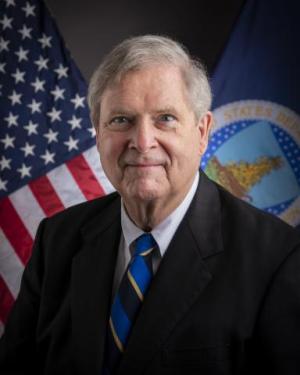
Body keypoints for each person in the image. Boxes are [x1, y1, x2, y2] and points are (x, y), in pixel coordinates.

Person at [0, 35, 300, 375]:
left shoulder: (277, 258)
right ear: (98, 134)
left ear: (202, 132)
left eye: (165, 118)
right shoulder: (57, 240)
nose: (142, 142)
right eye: (121, 120)